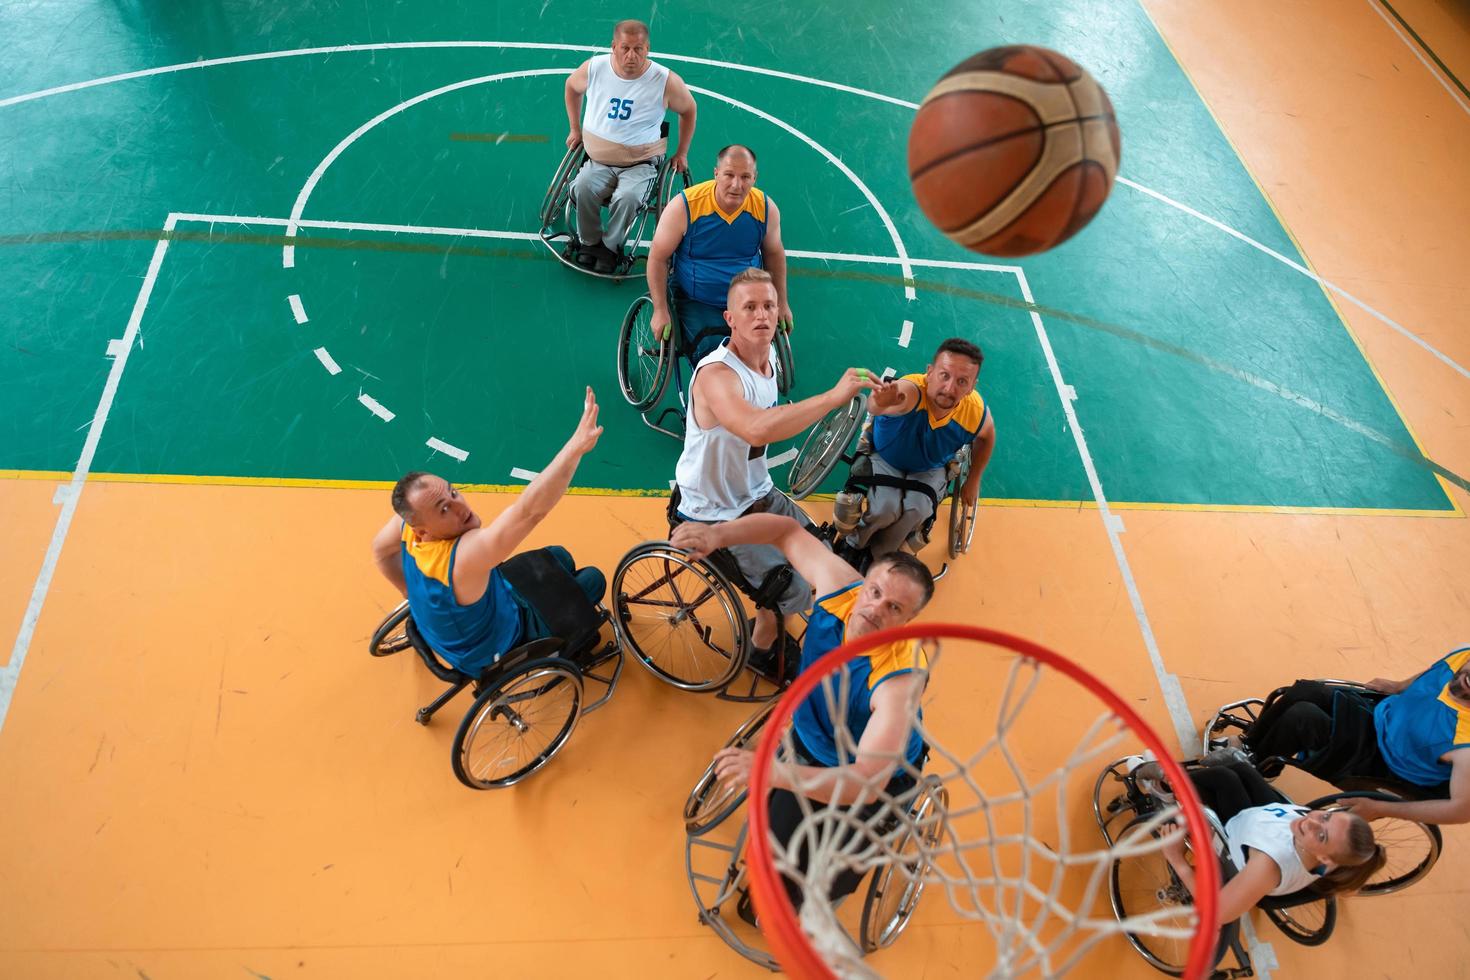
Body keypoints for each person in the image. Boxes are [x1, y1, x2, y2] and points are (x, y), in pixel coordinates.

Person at [672, 512, 935, 910]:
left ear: (909, 621)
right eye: (875, 592)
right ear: (864, 584)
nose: (877, 608)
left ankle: (822, 896)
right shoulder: (839, 591)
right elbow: (785, 530)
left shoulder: (898, 682)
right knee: (770, 833)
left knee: (817, 872)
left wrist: (773, 771)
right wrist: (717, 534)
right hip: (810, 740)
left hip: (867, 779)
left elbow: (864, 783)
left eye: (895, 608)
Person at [671, 267, 887, 675]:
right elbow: (753, 426)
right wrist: (831, 398)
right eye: (749, 307)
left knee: (821, 555)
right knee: (790, 587)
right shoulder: (717, 376)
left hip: (757, 493)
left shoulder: (767, 359)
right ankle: (762, 644)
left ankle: (769, 619)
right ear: (729, 318)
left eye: (768, 305)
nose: (762, 316)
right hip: (711, 511)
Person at [369, 389, 604, 676]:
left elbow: (380, 552)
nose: (459, 507)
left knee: (560, 557)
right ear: (422, 532)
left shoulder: (407, 528)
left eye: (453, 492)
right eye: (444, 509)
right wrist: (575, 448)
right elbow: (530, 512)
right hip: (500, 641)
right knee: (593, 579)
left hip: (461, 626)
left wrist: (412, 595)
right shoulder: (464, 558)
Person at [1130, 755, 1384, 924]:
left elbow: (1217, 913)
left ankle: (1163, 788)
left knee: (1223, 778)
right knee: (1240, 769)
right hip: (1268, 822)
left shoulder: (1268, 865)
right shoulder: (1336, 855)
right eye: (1328, 818)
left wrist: (1177, 859)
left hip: (1241, 831)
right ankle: (1217, 768)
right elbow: (1342, 845)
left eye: (1322, 834)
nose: (1314, 821)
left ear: (1325, 857)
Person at [1232, 646, 1470, 826]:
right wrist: (1399, 686)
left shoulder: (1464, 745)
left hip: (1386, 764)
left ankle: (1249, 769)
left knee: (1303, 717)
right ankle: (1249, 750)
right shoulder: (1463, 654)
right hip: (1380, 718)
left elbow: (1461, 810)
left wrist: (1380, 808)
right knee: (1306, 690)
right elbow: (1434, 671)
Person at [837, 337, 996, 560]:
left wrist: (974, 480)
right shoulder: (910, 391)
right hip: (887, 457)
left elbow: (988, 437)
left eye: (962, 381)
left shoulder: (975, 411)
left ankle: (880, 556)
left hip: (930, 466)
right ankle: (854, 544)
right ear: (929, 372)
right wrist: (880, 403)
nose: (949, 388)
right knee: (885, 509)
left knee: (917, 510)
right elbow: (875, 406)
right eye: (944, 375)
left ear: (972, 387)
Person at [563, 19, 697, 273]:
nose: (631, 55)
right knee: (581, 187)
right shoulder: (595, 68)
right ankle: (589, 243)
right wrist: (574, 128)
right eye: (625, 48)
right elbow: (571, 87)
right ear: (613, 46)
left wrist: (682, 152)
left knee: (628, 197)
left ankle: (611, 247)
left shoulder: (665, 80)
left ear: (648, 49)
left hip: (640, 163)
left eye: (638, 49)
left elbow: (689, 110)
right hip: (598, 160)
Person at [647, 144, 792, 364]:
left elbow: (774, 254)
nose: (736, 185)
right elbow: (658, 258)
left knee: (756, 354)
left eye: (745, 177)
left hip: (748, 297)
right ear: (716, 174)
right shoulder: (685, 207)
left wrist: (781, 302)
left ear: (755, 178)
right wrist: (660, 309)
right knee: (713, 357)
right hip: (698, 298)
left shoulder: (765, 208)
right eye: (729, 175)